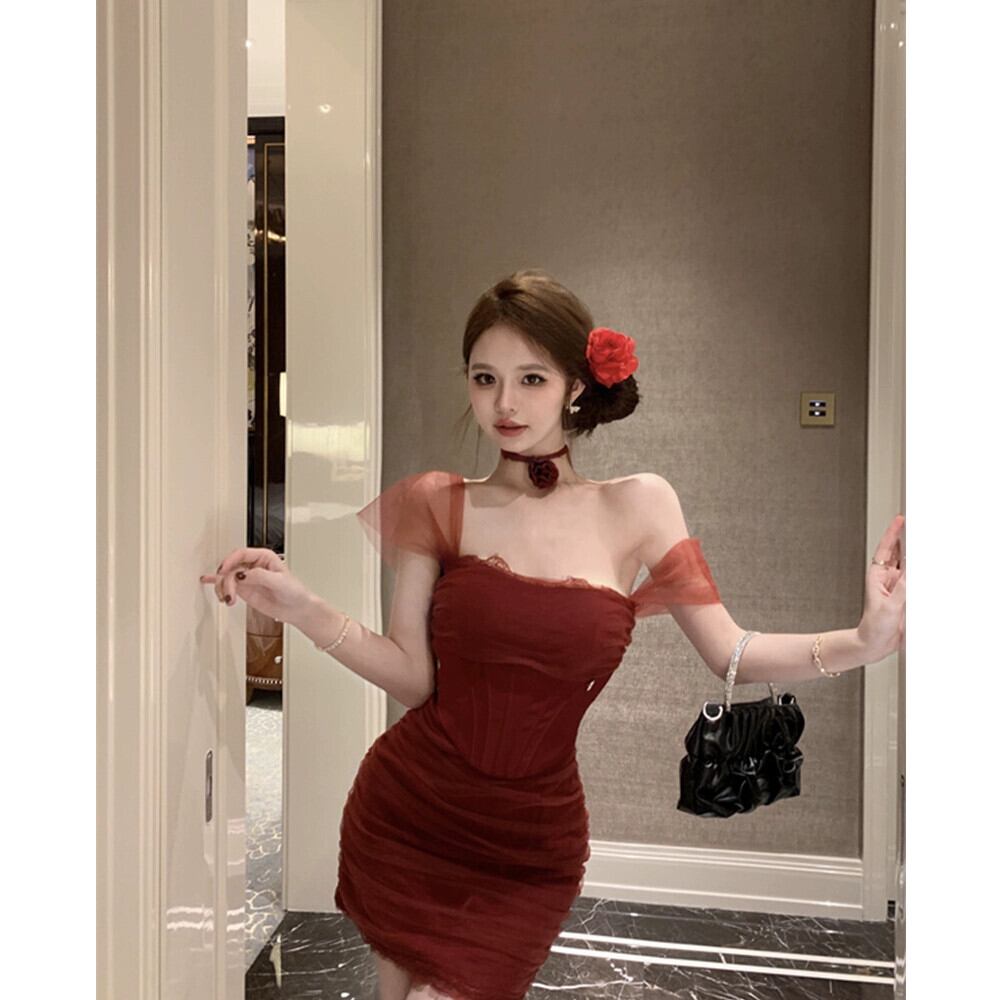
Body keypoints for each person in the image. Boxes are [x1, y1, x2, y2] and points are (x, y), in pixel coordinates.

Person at [200, 270, 905, 1000]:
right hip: (409, 814)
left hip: (531, 844)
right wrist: (300, 605)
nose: (505, 403)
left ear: (576, 385)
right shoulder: (438, 503)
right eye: (485, 378)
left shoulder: (639, 504)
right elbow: (413, 679)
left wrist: (862, 641)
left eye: (531, 378)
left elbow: (731, 651)